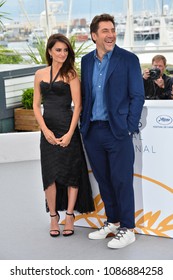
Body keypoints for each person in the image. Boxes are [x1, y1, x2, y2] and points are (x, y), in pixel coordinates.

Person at [80, 14, 145, 249]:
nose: (110, 35)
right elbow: (86, 95)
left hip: (117, 131)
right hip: (92, 131)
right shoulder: (86, 61)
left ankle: (128, 228)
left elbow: (138, 95)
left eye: (113, 30)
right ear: (94, 36)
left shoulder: (128, 59)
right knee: (104, 180)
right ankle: (113, 221)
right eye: (105, 31)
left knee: (121, 181)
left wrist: (129, 126)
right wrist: (82, 124)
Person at [33, 33, 94, 238]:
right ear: (50, 51)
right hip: (48, 130)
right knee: (49, 176)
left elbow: (78, 106)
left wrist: (69, 133)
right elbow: (35, 105)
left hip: (68, 129)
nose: (62, 53)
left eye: (65, 50)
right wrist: (45, 130)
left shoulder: (71, 74)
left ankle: (69, 216)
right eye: (58, 50)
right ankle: (53, 217)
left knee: (71, 174)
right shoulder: (39, 74)